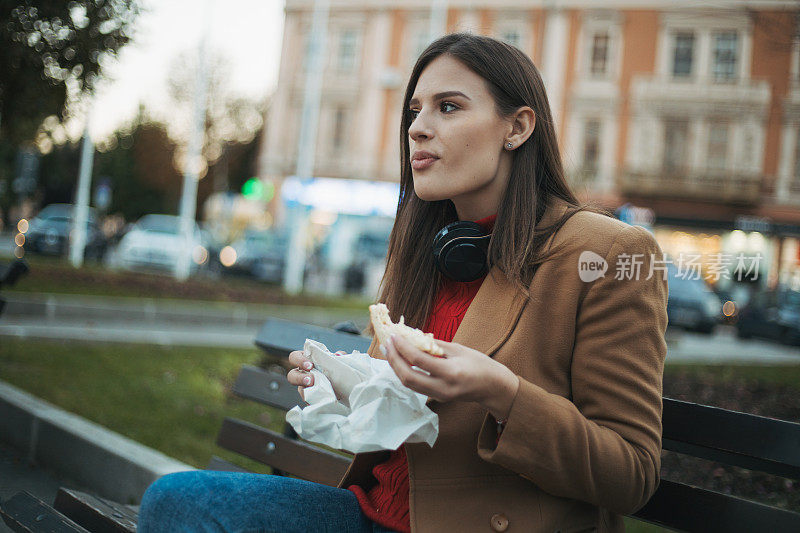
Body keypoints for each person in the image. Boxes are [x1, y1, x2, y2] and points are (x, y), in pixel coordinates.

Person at [137, 32, 668, 533]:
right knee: (176, 500)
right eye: (415, 111)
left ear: (518, 127)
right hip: (371, 515)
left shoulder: (607, 252)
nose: (417, 127)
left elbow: (632, 473)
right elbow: (399, 416)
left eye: (449, 107)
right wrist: (342, 385)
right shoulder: (426, 247)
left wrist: (502, 392)